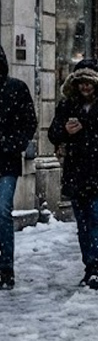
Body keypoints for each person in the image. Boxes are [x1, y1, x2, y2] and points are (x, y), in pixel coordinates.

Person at [48, 59, 98, 289]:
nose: (85, 86)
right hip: (78, 173)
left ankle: (96, 268)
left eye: (89, 82)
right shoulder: (68, 106)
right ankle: (89, 265)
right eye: (81, 82)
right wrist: (65, 130)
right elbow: (53, 134)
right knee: (83, 224)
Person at [0, 44, 37, 291]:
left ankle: (5, 269)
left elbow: (29, 122)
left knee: (2, 210)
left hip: (6, 162)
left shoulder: (16, 88)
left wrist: (12, 144)